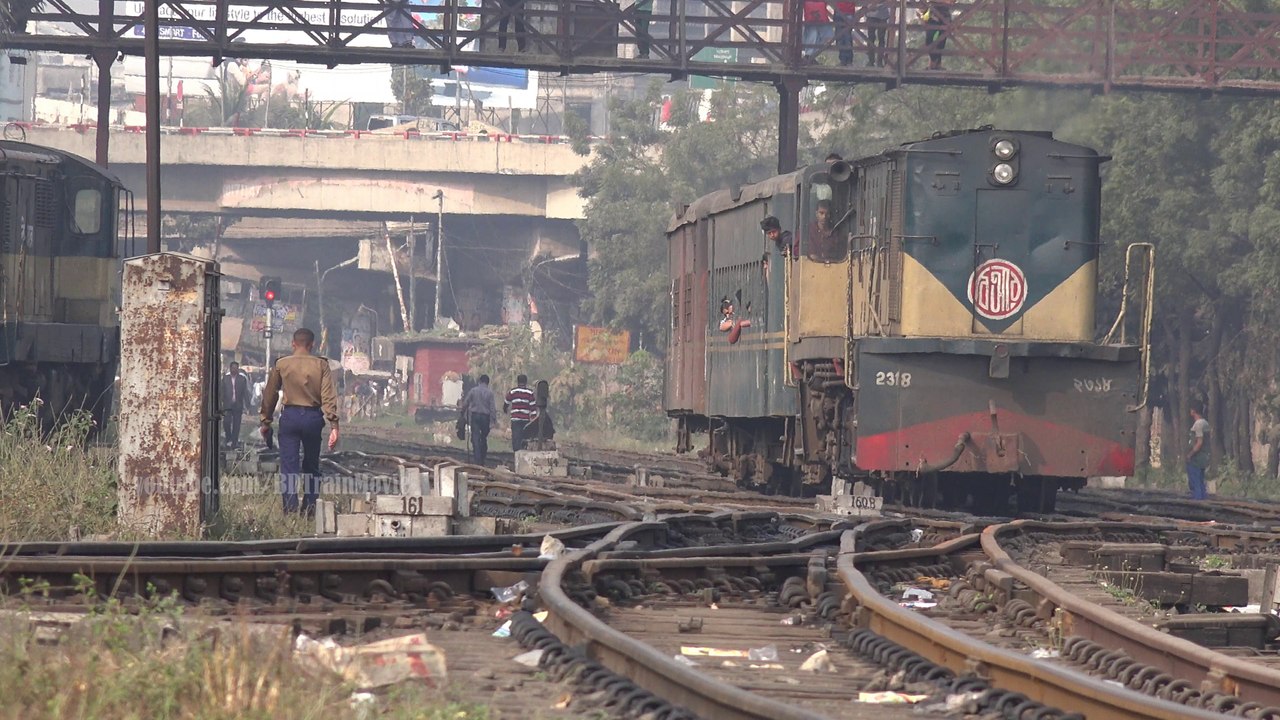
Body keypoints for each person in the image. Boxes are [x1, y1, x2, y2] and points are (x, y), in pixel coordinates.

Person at [260, 328, 339, 515]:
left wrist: (265, 421)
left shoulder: (282, 364)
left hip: (290, 417)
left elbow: (270, 395)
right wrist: (334, 425)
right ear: (312, 345)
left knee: (289, 466)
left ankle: (290, 509)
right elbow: (328, 396)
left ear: (293, 344)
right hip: (313, 418)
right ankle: (310, 509)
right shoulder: (321, 365)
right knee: (311, 465)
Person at [460, 373, 496, 466]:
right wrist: (493, 421)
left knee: (475, 437)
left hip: (475, 416)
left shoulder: (473, 391)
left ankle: (477, 459)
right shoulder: (490, 393)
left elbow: (466, 403)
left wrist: (462, 413)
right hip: (485, 418)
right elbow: (492, 408)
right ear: (487, 383)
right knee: (483, 437)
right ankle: (482, 458)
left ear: (479, 381)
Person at [220, 361, 250, 448]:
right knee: (226, 422)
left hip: (238, 405)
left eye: (236, 368)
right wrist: (220, 403)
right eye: (233, 368)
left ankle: (234, 442)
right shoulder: (225, 379)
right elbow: (222, 391)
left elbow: (245, 393)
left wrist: (247, 406)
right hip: (227, 405)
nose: (234, 370)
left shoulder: (242, 379)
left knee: (236, 425)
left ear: (238, 369)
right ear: (230, 369)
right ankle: (228, 438)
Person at [504, 374, 537, 451]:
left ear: (518, 382)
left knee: (516, 436)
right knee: (524, 437)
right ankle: (523, 451)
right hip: (525, 419)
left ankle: (516, 452)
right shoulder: (529, 393)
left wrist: (505, 409)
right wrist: (533, 418)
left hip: (515, 419)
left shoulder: (512, 392)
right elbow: (533, 407)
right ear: (526, 382)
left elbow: (506, 402)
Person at [1186, 405, 1210, 500]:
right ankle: (1203, 499)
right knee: (1200, 481)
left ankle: (1198, 501)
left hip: (1197, 458)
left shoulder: (1198, 424)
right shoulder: (1205, 423)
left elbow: (1199, 442)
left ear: (1193, 411)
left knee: (1195, 482)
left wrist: (1190, 454)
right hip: (1203, 456)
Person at [921, 0, 952, 70]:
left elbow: (951, 1)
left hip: (945, 16)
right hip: (933, 16)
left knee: (941, 42)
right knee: (929, 40)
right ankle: (933, 62)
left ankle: (936, 64)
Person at [865, 0, 891, 66]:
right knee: (874, 39)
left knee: (875, 39)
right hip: (876, 14)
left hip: (879, 14)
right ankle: (874, 61)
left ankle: (874, 61)